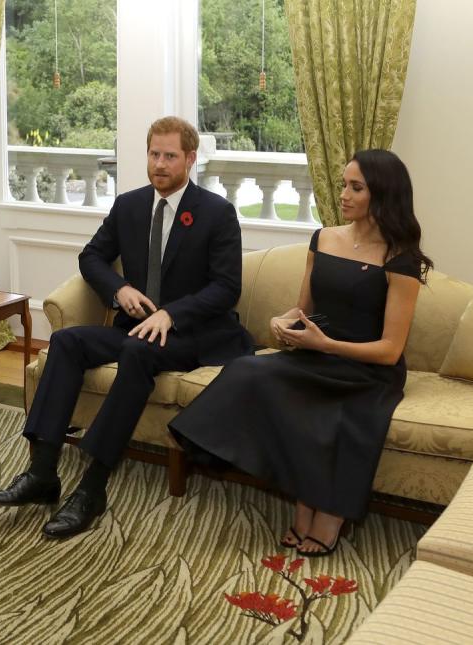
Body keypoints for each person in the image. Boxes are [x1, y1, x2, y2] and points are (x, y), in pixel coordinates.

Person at [0, 117, 253, 539]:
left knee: (137, 352)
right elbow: (91, 257)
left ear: (190, 159)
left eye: (170, 156)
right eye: (153, 154)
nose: (159, 164)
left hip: (193, 335)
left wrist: (172, 314)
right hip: (136, 327)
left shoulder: (216, 212)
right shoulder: (129, 205)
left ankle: (93, 486)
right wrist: (119, 288)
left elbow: (226, 287)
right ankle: (42, 472)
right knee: (67, 342)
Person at [168, 149, 432, 557]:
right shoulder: (323, 238)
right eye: (344, 183)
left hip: (365, 370)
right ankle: (298, 495)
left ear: (382, 194)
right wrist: (281, 321)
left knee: (334, 414)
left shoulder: (402, 260)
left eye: (355, 187)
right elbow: (303, 310)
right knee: (248, 371)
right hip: (314, 356)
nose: (342, 193)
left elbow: (389, 350)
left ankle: (326, 510)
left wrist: (324, 344)